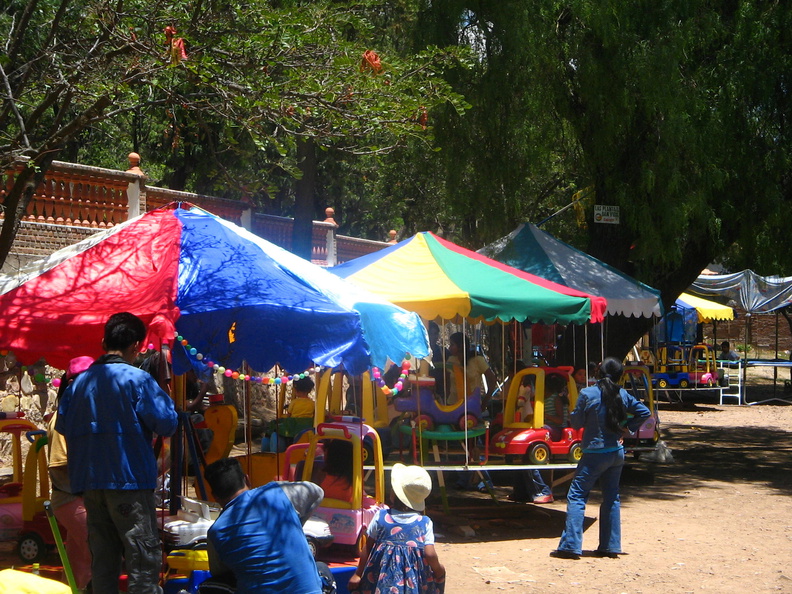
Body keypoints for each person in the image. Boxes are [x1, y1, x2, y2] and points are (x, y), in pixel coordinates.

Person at [56, 312, 179, 593]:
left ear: (104, 341)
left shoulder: (78, 385)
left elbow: (63, 425)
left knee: (104, 561)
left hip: (90, 487)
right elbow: (167, 423)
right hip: (129, 485)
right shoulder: (139, 380)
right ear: (136, 346)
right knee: (142, 562)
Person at [551, 357, 651, 560]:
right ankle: (610, 546)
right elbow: (645, 412)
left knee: (577, 496)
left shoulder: (588, 393)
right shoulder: (622, 394)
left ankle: (571, 546)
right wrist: (627, 428)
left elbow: (576, 422)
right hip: (616, 453)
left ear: (598, 372)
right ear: (619, 375)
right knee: (611, 498)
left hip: (594, 454)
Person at [201, 457, 324, 594]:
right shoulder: (279, 492)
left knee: (210, 585)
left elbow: (220, 573)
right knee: (322, 569)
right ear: (247, 479)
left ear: (215, 496)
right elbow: (317, 492)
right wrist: (296, 525)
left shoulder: (216, 531)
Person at [348, 463, 445, 593]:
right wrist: (439, 570)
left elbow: (368, 547)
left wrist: (358, 574)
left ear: (394, 493)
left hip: (381, 581)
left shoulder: (381, 516)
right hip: (411, 584)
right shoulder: (424, 522)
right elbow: (430, 553)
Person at [47, 356, 94, 591]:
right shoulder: (62, 418)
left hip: (82, 498)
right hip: (71, 498)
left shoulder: (89, 415)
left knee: (78, 564)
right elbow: (59, 465)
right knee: (100, 552)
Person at [447, 332, 497, 406]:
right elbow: (447, 381)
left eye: (452, 344)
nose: (449, 347)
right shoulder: (450, 360)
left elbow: (492, 380)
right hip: (452, 404)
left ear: (460, 346)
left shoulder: (477, 360)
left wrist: (485, 401)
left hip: (472, 405)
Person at [543, 374, 570, 441]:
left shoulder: (556, 398)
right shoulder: (544, 399)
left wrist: (546, 416)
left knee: (541, 428)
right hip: (552, 428)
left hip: (559, 430)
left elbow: (560, 420)